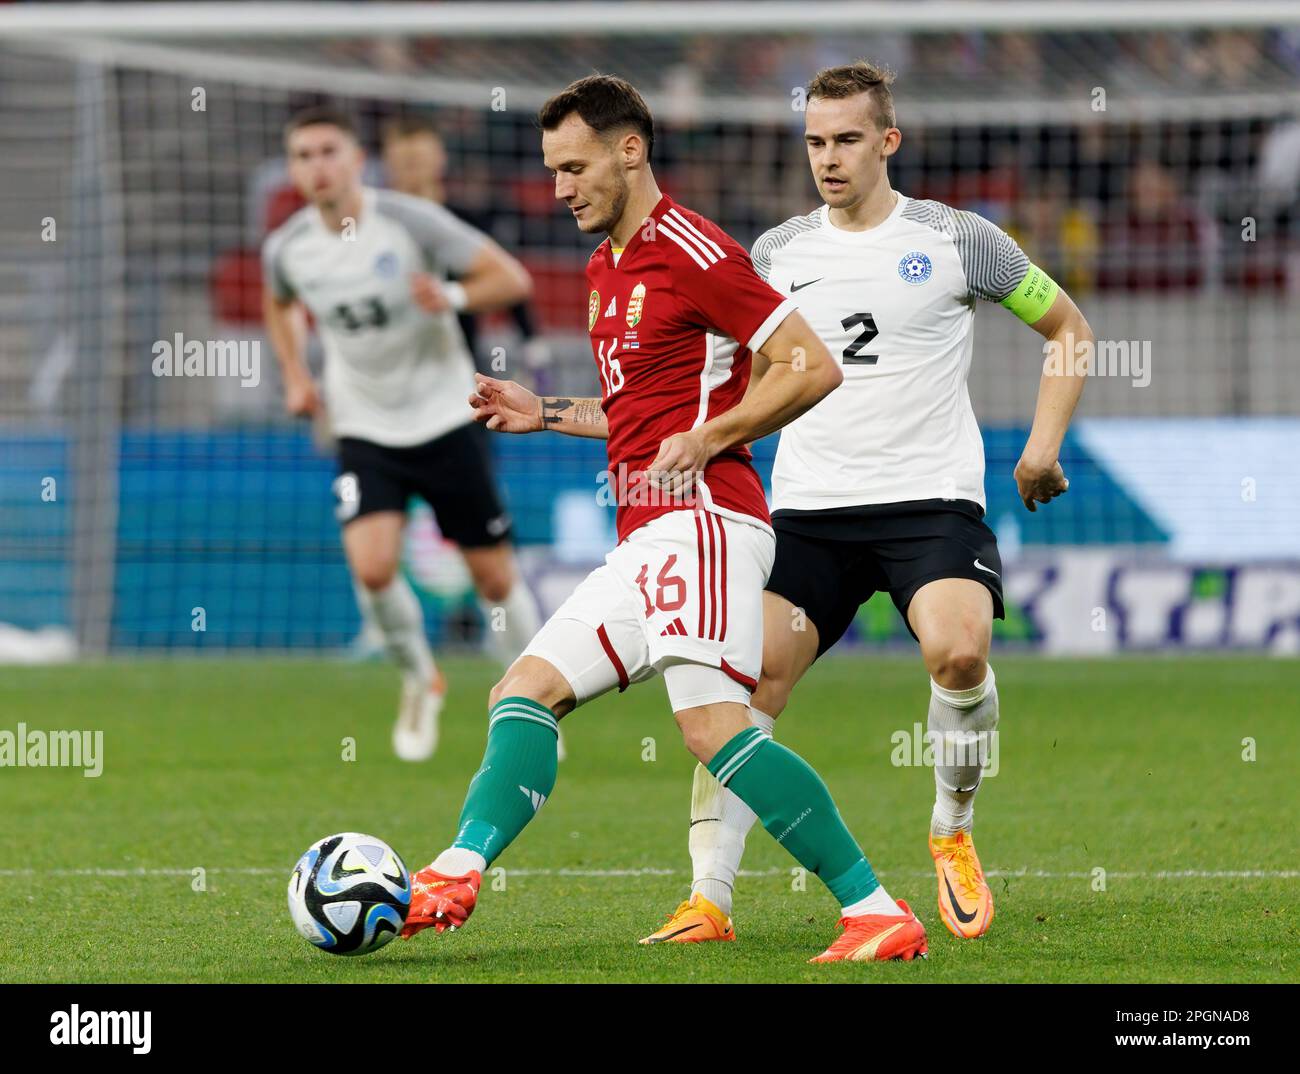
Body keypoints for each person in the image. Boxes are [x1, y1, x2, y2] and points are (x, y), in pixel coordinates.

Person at [400, 75, 929, 964]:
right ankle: (454, 874)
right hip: (646, 533)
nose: (560, 186)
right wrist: (547, 412)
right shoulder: (607, 264)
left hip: (711, 519)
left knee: (713, 725)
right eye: (552, 169)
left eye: (574, 167)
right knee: (522, 692)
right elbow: (639, 411)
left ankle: (875, 909)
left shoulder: (696, 250)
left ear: (630, 150)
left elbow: (810, 366)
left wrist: (713, 434)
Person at [647, 60, 1092, 945]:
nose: (829, 158)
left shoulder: (962, 239)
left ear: (888, 141)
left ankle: (951, 830)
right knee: (742, 689)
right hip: (812, 513)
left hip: (931, 504)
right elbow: (718, 384)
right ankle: (709, 898)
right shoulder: (773, 255)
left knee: (960, 654)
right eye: (814, 141)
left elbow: (1069, 329)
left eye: (847, 139)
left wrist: (1042, 449)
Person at [262, 107, 541, 763]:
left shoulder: (409, 221)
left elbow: (511, 278)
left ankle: (531, 705)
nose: (317, 166)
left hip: (446, 418)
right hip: (363, 426)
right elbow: (276, 302)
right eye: (302, 156)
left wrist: (449, 296)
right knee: (373, 565)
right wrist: (295, 374)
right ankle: (421, 678)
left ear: (358, 159)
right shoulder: (288, 247)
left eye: (328, 151)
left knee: (495, 582)